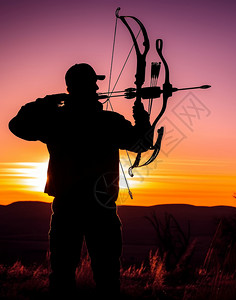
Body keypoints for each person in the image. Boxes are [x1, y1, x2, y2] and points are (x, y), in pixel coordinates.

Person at [8, 63, 151, 297]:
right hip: (101, 208)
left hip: (67, 207)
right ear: (90, 86)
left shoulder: (55, 121)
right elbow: (143, 143)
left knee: (62, 275)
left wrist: (45, 103)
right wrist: (142, 119)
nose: (97, 87)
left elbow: (16, 125)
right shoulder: (108, 122)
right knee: (107, 276)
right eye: (94, 83)